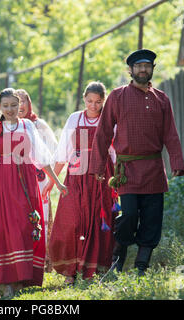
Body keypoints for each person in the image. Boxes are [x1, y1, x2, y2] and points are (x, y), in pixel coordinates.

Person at [89, 49, 184, 276]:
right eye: (138, 66)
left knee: (152, 219)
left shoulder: (162, 99)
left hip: (154, 169)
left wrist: (177, 163)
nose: (143, 69)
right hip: (127, 170)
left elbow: (170, 134)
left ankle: (142, 267)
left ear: (152, 69)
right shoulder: (117, 96)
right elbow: (103, 133)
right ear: (130, 71)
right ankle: (118, 259)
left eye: (147, 66)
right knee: (129, 215)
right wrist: (97, 166)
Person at [0, 88, 67, 297]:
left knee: (24, 227)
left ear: (20, 105)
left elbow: (42, 157)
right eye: (6, 106)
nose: (10, 110)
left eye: (14, 105)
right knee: (0, 229)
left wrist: (56, 182)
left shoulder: (28, 125)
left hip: (24, 183)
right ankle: (5, 282)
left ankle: (21, 278)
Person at [43, 81, 116, 284]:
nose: (93, 105)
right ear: (84, 98)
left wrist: (117, 181)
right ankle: (70, 272)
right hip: (76, 177)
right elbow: (62, 154)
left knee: (100, 221)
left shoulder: (109, 120)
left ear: (104, 101)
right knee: (71, 221)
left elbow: (115, 153)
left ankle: (98, 270)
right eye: (90, 101)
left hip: (102, 178)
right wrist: (52, 182)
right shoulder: (74, 118)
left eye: (98, 102)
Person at [15, 88, 58, 272]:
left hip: (39, 179)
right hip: (17, 179)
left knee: (39, 217)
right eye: (17, 101)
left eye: (24, 100)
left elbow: (54, 150)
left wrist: (50, 177)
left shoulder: (38, 125)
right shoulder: (8, 126)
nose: (21, 105)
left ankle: (41, 261)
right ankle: (21, 260)